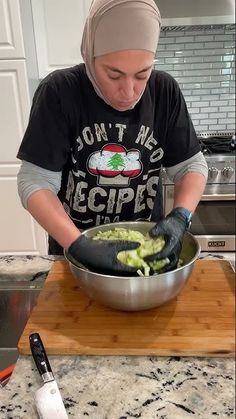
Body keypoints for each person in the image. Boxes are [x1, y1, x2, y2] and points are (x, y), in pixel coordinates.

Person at [17, 0, 208, 275]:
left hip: (146, 251)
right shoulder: (59, 92)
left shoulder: (164, 91)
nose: (129, 91)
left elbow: (191, 166)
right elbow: (33, 181)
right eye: (113, 74)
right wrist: (77, 244)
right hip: (75, 256)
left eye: (142, 74)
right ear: (90, 54)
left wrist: (180, 216)